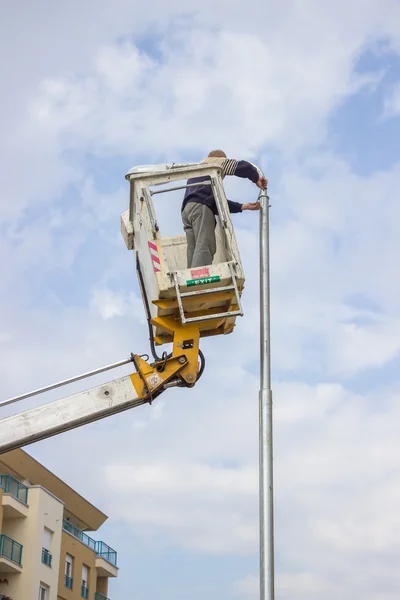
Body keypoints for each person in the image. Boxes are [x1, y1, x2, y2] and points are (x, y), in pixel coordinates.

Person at [181, 150, 267, 269]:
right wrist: (256, 178)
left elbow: (214, 203)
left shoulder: (197, 173)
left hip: (187, 210)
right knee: (205, 244)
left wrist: (243, 206)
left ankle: (191, 279)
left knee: (194, 247)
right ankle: (199, 278)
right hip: (200, 208)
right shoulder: (215, 162)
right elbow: (244, 167)